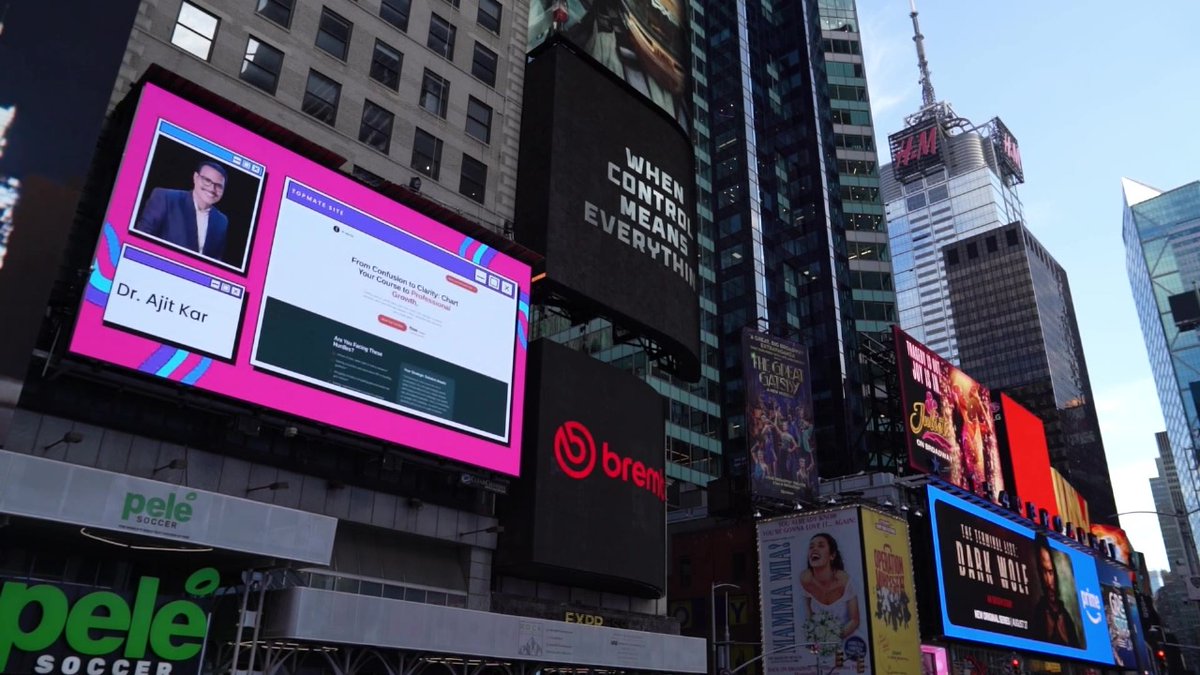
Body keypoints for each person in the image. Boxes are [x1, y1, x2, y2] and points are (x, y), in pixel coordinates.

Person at [135, 160, 230, 261]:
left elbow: (215, 261)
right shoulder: (166, 198)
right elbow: (140, 239)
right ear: (195, 178)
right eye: (207, 180)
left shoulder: (222, 221)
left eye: (219, 186)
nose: (212, 188)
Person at [799, 533, 861, 641]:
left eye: (821, 546)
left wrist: (832, 638)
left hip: (848, 642)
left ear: (832, 555)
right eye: (811, 547)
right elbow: (809, 617)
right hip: (820, 646)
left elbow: (855, 620)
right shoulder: (805, 579)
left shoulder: (844, 581)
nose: (814, 549)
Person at [1031, 535, 1080, 647]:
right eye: (1043, 572)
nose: (1048, 582)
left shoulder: (1066, 617)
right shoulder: (1039, 615)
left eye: (1050, 572)